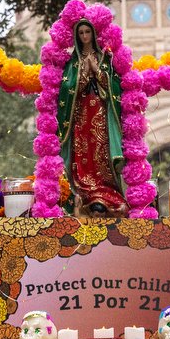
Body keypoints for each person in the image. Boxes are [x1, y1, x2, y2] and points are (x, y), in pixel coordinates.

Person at [59, 19, 127, 216]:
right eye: (81, 33)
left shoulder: (104, 57)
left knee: (100, 150)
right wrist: (84, 76)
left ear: (93, 34)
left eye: (87, 32)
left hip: (99, 110)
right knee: (82, 152)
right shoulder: (73, 62)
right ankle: (83, 192)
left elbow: (113, 86)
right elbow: (68, 89)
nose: (85, 36)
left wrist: (97, 71)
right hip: (80, 114)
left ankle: (106, 192)